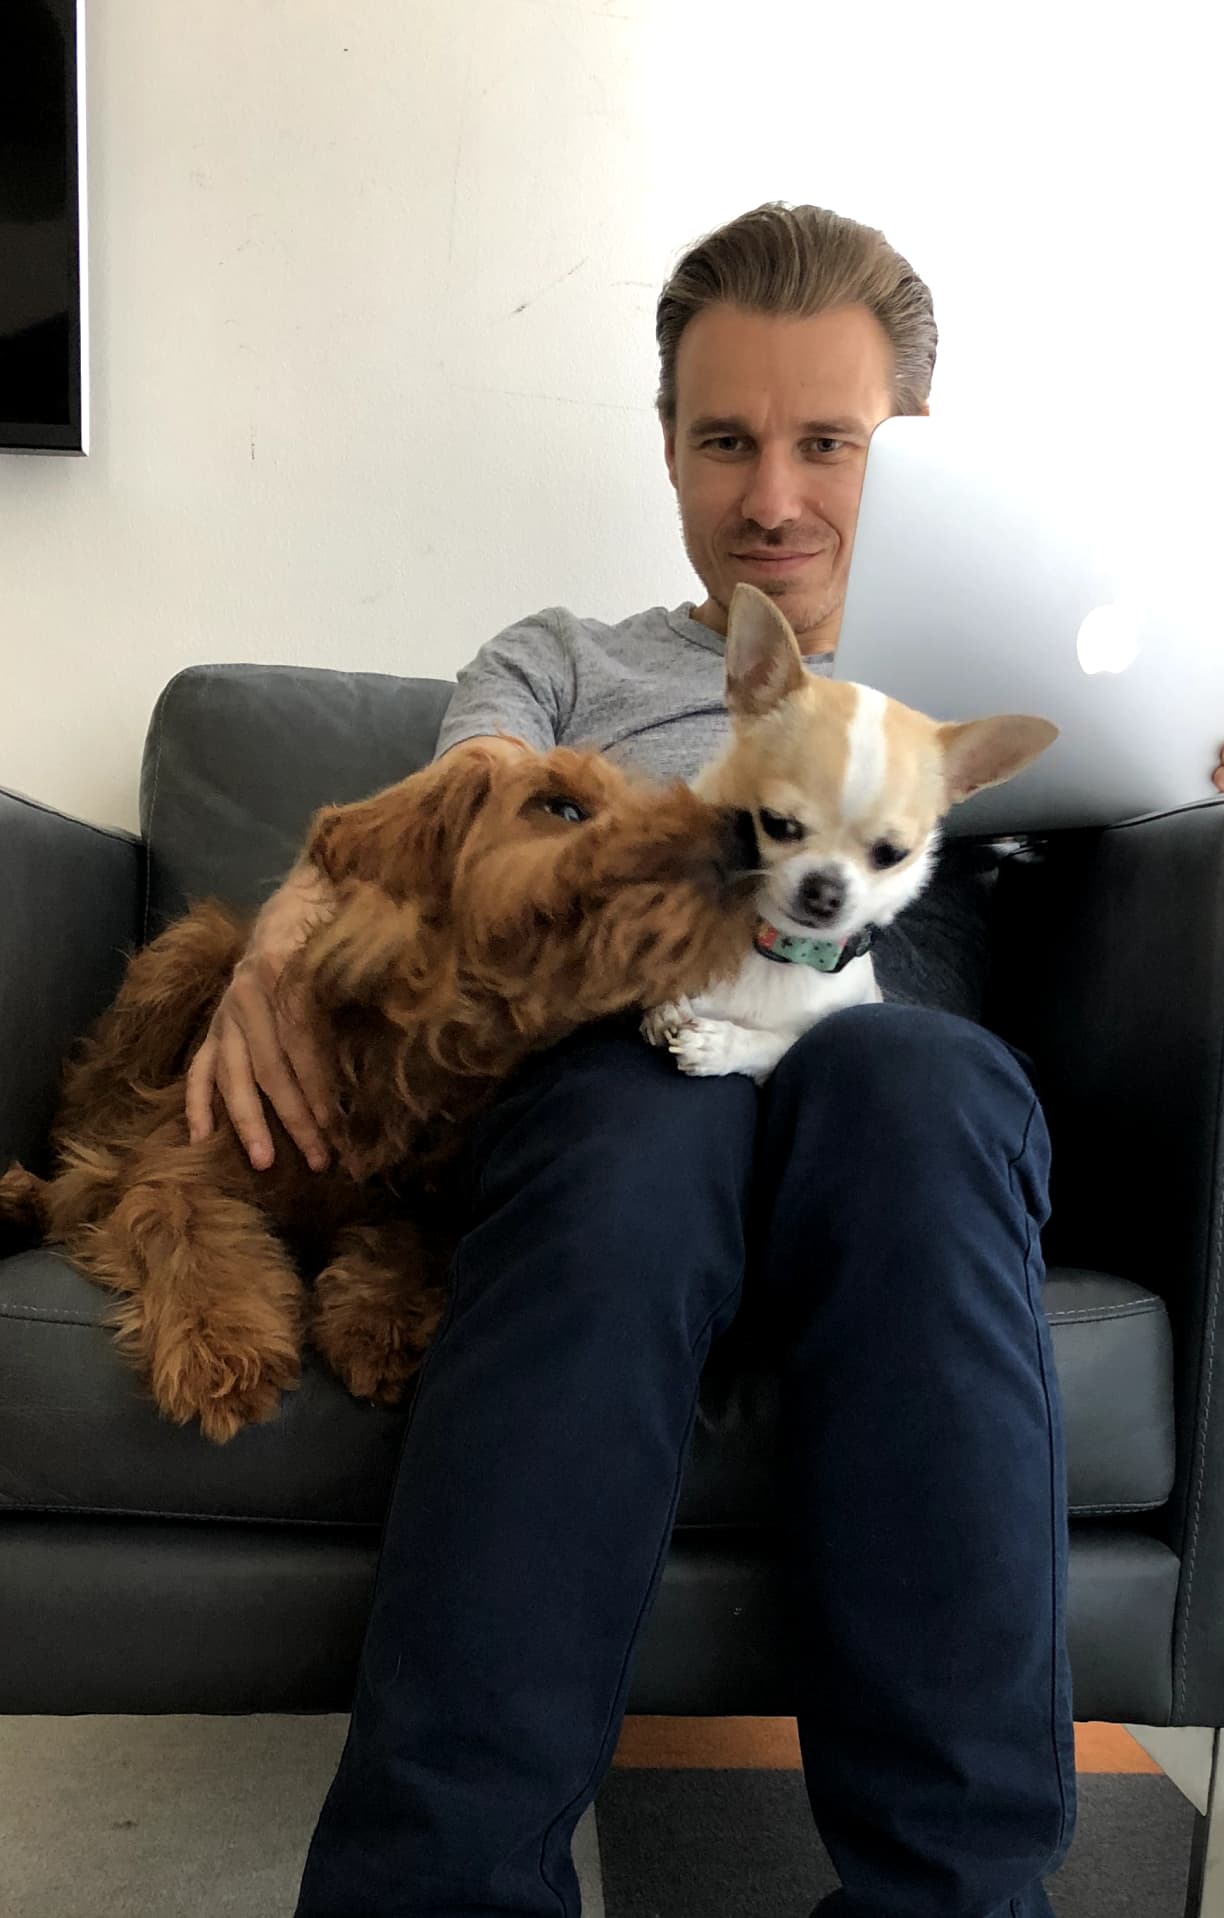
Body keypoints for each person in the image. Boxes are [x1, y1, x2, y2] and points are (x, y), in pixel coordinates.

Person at [184, 203, 1218, 1918]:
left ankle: (948, 1901)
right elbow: (458, 813)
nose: (773, 498)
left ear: (917, 459)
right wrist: (296, 914)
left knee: (921, 1087)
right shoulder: (568, 661)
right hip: (622, 1104)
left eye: (831, 442)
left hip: (889, 1139)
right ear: (666, 444)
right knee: (627, 1127)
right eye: (725, 438)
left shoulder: (1008, 687)